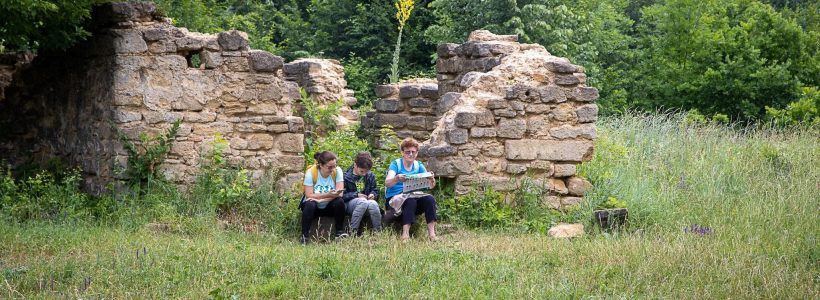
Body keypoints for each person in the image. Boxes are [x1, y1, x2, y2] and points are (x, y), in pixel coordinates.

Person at [384, 137, 439, 241]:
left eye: (413, 152)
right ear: (402, 152)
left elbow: (430, 186)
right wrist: (397, 178)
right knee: (410, 201)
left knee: (430, 199)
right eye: (407, 152)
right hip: (395, 200)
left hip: (414, 195)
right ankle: (405, 235)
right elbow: (387, 183)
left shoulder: (419, 165)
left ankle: (432, 234)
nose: (410, 154)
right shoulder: (396, 164)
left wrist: (431, 179)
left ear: (417, 153)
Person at [300, 151, 347, 244]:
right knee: (310, 204)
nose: (332, 169)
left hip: (329, 205)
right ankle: (304, 236)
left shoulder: (337, 171)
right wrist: (329, 194)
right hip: (314, 207)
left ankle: (339, 232)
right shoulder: (311, 172)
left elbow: (340, 193)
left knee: (340, 202)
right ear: (321, 165)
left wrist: (322, 199)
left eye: (334, 166)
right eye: (329, 167)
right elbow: (309, 195)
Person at [342, 152, 381, 235]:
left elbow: (375, 190)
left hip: (367, 203)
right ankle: (352, 232)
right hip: (350, 204)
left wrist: (373, 194)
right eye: (362, 171)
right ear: (355, 165)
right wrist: (356, 195)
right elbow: (341, 196)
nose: (364, 174)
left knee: (373, 203)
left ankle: (378, 232)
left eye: (366, 172)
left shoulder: (370, 175)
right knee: (362, 201)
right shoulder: (345, 176)